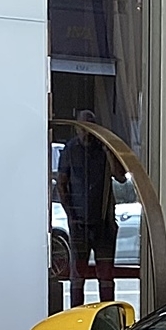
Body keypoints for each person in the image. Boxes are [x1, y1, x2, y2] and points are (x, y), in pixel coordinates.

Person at [56, 112, 121, 304]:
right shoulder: (70, 149)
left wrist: (108, 151)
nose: (87, 133)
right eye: (83, 128)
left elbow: (120, 176)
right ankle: (76, 316)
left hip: (103, 223)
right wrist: (71, 215)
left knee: (106, 275)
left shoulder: (103, 149)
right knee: (78, 275)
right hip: (79, 222)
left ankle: (108, 314)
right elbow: (61, 183)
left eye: (90, 128)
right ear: (77, 128)